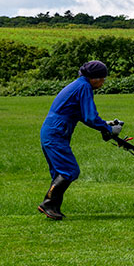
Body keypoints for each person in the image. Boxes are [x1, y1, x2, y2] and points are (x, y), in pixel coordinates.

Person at [38, 60, 122, 220]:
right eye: (102, 79)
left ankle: (53, 209)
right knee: (69, 170)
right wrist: (109, 129)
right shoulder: (84, 87)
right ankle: (48, 204)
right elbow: (90, 117)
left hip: (52, 131)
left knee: (59, 172)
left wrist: (105, 124)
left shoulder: (79, 85)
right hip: (56, 133)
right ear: (94, 78)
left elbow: (83, 115)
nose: (103, 83)